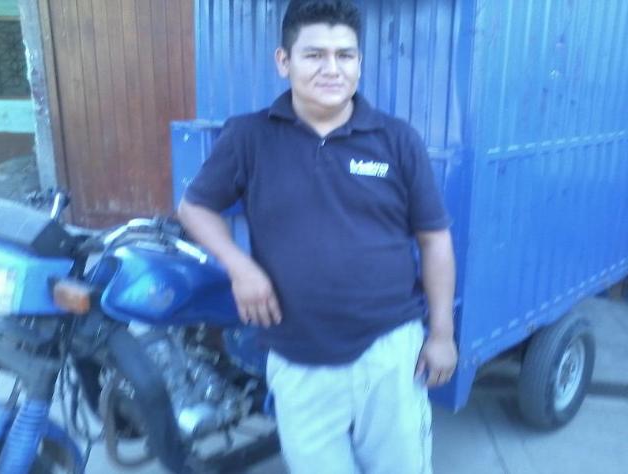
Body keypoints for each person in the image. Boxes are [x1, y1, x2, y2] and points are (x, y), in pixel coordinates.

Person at [178, 1, 457, 472]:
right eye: (314, 55)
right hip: (296, 356)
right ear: (283, 61)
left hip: (389, 351)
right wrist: (240, 266)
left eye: (345, 55)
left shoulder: (397, 139)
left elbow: (435, 241)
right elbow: (194, 207)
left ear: (359, 62)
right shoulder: (249, 137)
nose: (332, 69)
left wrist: (443, 334)